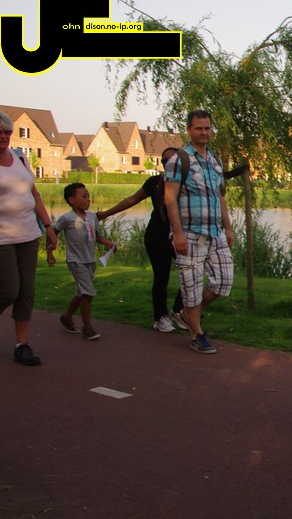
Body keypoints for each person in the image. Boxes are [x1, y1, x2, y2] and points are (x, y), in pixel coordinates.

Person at [98, 148, 249, 334]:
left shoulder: (190, 183)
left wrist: (227, 226)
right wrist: (106, 214)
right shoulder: (155, 182)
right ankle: (160, 317)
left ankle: (179, 310)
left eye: (172, 160)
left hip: (184, 235)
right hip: (158, 235)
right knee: (161, 276)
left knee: (192, 273)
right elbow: (132, 199)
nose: (168, 163)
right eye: (164, 161)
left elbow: (217, 187)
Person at [163, 110, 234, 354]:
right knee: (191, 288)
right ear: (189, 130)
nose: (204, 133)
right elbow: (169, 198)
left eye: (207, 128)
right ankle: (197, 334)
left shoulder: (215, 161)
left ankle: (187, 314)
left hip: (215, 233)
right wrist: (178, 234)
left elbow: (220, 197)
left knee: (224, 280)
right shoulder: (179, 160)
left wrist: (228, 227)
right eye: (199, 128)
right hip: (190, 233)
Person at [0, 111, 58, 366]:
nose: (4, 137)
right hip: (1, 237)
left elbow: (34, 194)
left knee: (27, 291)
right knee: (9, 289)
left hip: (28, 233)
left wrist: (48, 226)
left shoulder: (20, 157)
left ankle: (21, 345)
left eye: (7, 132)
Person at [48, 183, 115, 341]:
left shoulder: (92, 217)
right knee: (88, 293)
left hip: (90, 260)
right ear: (71, 200)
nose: (88, 200)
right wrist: (50, 252)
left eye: (88, 197)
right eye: (83, 197)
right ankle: (87, 328)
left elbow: (96, 236)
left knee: (81, 293)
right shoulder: (67, 218)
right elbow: (53, 233)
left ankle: (67, 316)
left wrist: (109, 243)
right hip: (76, 261)